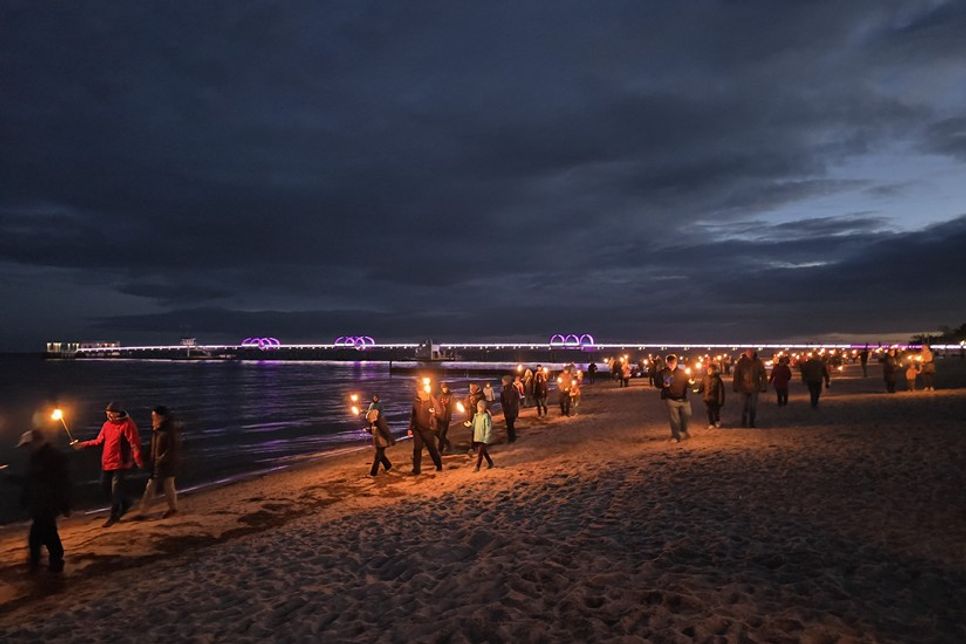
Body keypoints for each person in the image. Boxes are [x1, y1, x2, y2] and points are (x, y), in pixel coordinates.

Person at [72, 401, 144, 527]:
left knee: (116, 490)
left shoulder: (127, 424)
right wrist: (81, 445)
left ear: (118, 413)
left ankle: (113, 516)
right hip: (107, 462)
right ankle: (126, 502)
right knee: (104, 487)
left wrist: (138, 461)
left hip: (120, 463)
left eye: (111, 413)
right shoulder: (107, 425)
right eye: (107, 413)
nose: (108, 416)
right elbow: (99, 441)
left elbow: (134, 443)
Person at [16, 430, 70, 573]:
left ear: (36, 442)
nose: (26, 449)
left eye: (28, 445)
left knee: (42, 535)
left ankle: (46, 564)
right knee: (45, 533)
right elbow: (30, 481)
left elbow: (61, 481)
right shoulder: (37, 457)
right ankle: (46, 563)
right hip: (41, 503)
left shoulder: (51, 457)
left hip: (47, 502)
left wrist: (64, 503)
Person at [137, 405, 181, 518]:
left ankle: (144, 511)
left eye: (155, 416)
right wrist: (145, 457)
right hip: (157, 464)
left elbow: (172, 448)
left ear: (162, 417)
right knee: (155, 486)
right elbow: (153, 446)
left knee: (164, 486)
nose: (153, 418)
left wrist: (161, 460)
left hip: (166, 465)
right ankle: (143, 511)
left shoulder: (169, 430)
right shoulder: (158, 430)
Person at [407, 388, 443, 475]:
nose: (420, 394)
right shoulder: (416, 401)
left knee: (432, 449)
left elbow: (439, 412)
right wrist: (410, 428)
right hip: (417, 429)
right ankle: (416, 470)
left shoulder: (431, 400)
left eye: (421, 392)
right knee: (417, 449)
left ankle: (438, 465)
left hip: (428, 429)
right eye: (418, 393)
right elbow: (413, 416)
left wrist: (435, 413)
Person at [659, 355, 693, 442]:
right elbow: (657, 382)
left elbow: (689, 384)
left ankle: (683, 431)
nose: (671, 364)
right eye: (669, 363)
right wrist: (663, 384)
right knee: (674, 419)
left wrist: (691, 381)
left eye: (673, 362)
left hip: (683, 399)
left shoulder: (682, 372)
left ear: (676, 362)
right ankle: (676, 436)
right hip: (670, 399)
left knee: (687, 414)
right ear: (667, 363)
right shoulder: (663, 373)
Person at [732, 350, 767, 427]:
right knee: (744, 406)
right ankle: (743, 422)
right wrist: (735, 386)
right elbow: (736, 374)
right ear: (746, 354)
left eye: (751, 353)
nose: (750, 355)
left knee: (753, 406)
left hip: (754, 387)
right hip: (743, 387)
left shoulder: (758, 362)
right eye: (749, 353)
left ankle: (751, 422)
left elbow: (763, 374)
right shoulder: (741, 362)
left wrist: (764, 386)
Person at [366, 405, 395, 476]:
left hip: (382, 442)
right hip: (378, 442)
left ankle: (373, 473)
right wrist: (368, 430)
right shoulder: (374, 422)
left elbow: (386, 431)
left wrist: (392, 440)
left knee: (377, 457)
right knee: (381, 455)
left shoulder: (380, 422)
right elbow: (374, 432)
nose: (369, 421)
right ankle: (388, 466)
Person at [697, 363, 725, 428]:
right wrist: (697, 391)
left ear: (714, 370)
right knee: (709, 411)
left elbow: (721, 390)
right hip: (707, 398)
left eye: (710, 370)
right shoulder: (705, 378)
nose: (709, 371)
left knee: (716, 411)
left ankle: (717, 421)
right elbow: (701, 387)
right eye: (708, 369)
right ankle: (711, 423)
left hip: (715, 398)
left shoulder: (717, 379)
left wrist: (721, 400)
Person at [471, 400, 494, 471]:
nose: (479, 408)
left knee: (480, 453)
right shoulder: (476, 416)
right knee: (484, 452)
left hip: (483, 438)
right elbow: (473, 426)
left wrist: (486, 438)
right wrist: (469, 425)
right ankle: (490, 463)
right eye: (478, 407)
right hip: (477, 437)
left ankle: (477, 467)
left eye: (480, 407)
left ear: (483, 408)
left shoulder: (485, 416)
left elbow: (488, 428)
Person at [435, 383, 454, 453]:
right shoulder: (439, 396)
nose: (445, 389)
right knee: (436, 433)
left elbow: (452, 406)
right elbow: (436, 405)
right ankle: (447, 443)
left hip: (446, 418)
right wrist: (434, 412)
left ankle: (440, 451)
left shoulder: (451, 396)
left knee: (442, 434)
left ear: (448, 388)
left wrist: (446, 405)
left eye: (446, 387)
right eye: (443, 388)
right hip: (439, 418)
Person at [500, 376, 519, 443]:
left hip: (511, 410)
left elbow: (514, 401)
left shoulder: (511, 390)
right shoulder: (505, 389)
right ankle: (511, 437)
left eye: (503, 381)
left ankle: (511, 438)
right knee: (509, 424)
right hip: (508, 410)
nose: (502, 382)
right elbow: (502, 400)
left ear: (507, 382)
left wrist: (514, 410)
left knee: (510, 424)